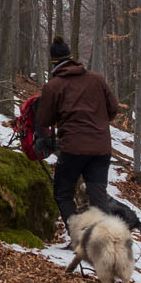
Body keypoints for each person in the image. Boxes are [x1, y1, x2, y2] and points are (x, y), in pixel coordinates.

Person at [33, 37, 120, 231]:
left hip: (73, 149)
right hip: (101, 148)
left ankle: (80, 236)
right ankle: (104, 240)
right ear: (72, 58)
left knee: (63, 194)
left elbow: (45, 120)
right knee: (98, 196)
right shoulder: (96, 79)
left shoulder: (53, 86)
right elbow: (113, 108)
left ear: (53, 62)